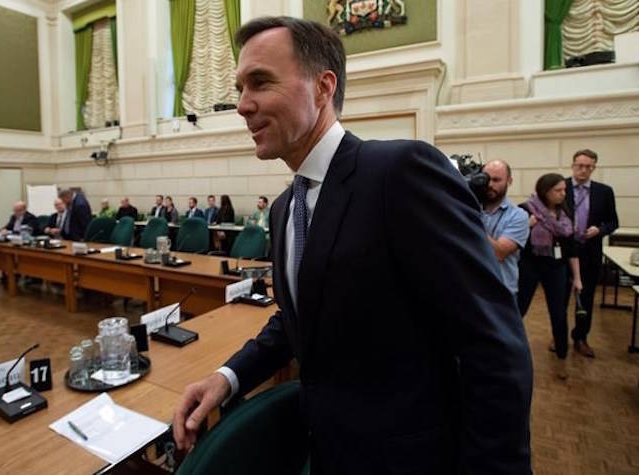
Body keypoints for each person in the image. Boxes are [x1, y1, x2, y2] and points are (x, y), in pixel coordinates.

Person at [173, 17, 532, 475]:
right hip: (328, 453)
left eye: (260, 82)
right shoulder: (285, 209)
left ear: (323, 87)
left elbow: (495, 346)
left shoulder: (401, 172)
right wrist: (227, 378)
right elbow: (301, 320)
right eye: (240, 87)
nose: (242, 105)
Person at [517, 174, 582, 380]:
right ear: (546, 191)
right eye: (558, 190)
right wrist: (525, 226)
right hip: (530, 265)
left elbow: (571, 249)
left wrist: (577, 278)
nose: (563, 194)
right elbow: (512, 238)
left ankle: (562, 355)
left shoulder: (565, 213)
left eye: (564, 190)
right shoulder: (525, 209)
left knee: (558, 313)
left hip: (556, 267)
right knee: (519, 308)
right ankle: (508, 347)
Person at [564, 149, 619, 358]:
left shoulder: (604, 191)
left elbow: (613, 222)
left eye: (588, 166)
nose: (583, 170)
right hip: (564, 251)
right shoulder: (560, 186)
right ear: (573, 165)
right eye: (580, 165)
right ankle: (558, 335)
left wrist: (600, 230)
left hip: (590, 252)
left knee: (586, 298)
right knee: (559, 296)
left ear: (594, 168)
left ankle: (580, 337)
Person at [481, 160, 529, 296]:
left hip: (501, 292)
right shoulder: (471, 208)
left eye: (496, 180)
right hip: (470, 290)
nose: (490, 185)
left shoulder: (518, 215)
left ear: (509, 181)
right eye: (486, 179)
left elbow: (499, 253)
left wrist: (469, 217)